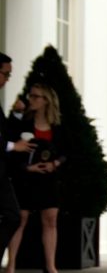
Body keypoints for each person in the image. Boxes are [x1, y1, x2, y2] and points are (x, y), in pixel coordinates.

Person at [6, 83, 66, 273]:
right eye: (30, 96)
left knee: (50, 220)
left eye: (35, 96)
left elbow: (68, 152)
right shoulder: (22, 122)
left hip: (48, 180)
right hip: (26, 178)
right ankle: (11, 264)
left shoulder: (58, 127)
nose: (30, 99)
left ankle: (50, 266)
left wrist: (54, 164)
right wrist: (27, 167)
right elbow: (11, 149)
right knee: (20, 219)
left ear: (46, 101)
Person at [0, 54, 35, 267]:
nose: (8, 79)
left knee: (12, 216)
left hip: (3, 173)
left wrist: (17, 115)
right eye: (6, 73)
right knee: (12, 216)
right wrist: (13, 146)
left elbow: (4, 133)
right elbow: (5, 140)